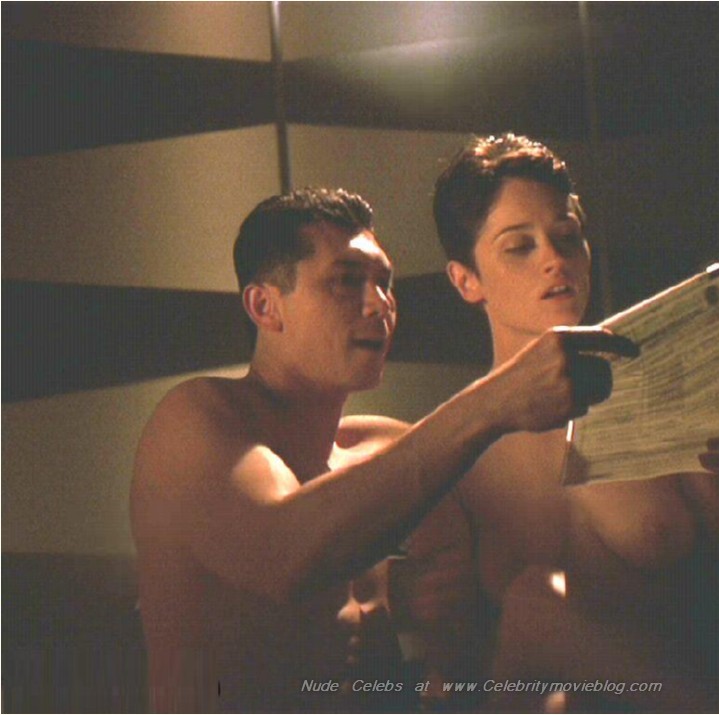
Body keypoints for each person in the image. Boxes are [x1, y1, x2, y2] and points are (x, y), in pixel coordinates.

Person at [399, 134, 719, 712]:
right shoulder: (455, 453)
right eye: (520, 247)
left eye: (568, 236)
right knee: (534, 602)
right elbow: (459, 665)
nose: (554, 259)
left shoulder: (661, 391)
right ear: (466, 280)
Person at [129, 187, 637, 712]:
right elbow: (282, 556)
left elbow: (468, 660)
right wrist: (493, 402)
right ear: (265, 306)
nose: (380, 304)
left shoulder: (387, 449)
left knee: (543, 604)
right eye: (347, 280)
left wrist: (443, 630)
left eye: (384, 283)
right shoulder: (196, 419)